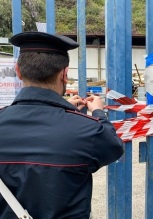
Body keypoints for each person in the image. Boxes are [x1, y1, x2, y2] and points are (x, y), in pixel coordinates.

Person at [0, 32, 124, 219]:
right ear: (64, 74)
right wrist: (98, 112)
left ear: (17, 71)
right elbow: (114, 147)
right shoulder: (87, 129)